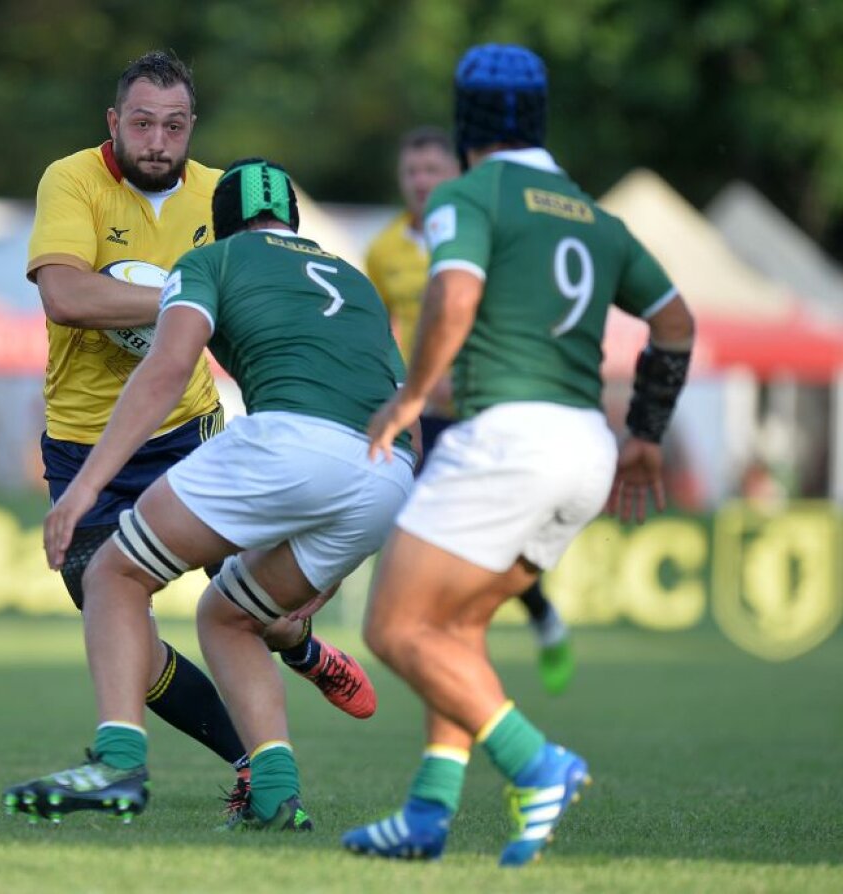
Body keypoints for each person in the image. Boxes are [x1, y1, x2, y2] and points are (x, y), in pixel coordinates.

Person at [342, 44, 695, 865]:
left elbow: (454, 293)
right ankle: (429, 812)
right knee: (455, 627)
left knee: (394, 627)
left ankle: (539, 764)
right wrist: (646, 433)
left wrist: (410, 395)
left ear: (467, 127)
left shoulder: (469, 193)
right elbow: (675, 325)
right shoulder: (595, 216)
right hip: (586, 450)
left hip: (506, 439)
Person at [10, 51, 376, 817]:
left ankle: (297, 652)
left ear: (191, 129)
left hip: (190, 428)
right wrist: (186, 302)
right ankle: (251, 759)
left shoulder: (223, 195)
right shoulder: (71, 179)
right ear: (114, 122)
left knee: (244, 604)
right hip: (84, 436)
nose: (157, 141)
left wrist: (193, 306)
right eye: (142, 123)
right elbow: (67, 297)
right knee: (125, 639)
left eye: (173, 126)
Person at [367, 125, 576, 695]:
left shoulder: (482, 230)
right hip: (424, 413)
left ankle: (537, 612)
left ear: (456, 174)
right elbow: (380, 330)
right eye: (412, 172)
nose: (421, 182)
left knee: (496, 535)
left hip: (488, 405)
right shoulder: (384, 251)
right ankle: (449, 629)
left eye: (432, 170)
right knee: (433, 526)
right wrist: (401, 388)